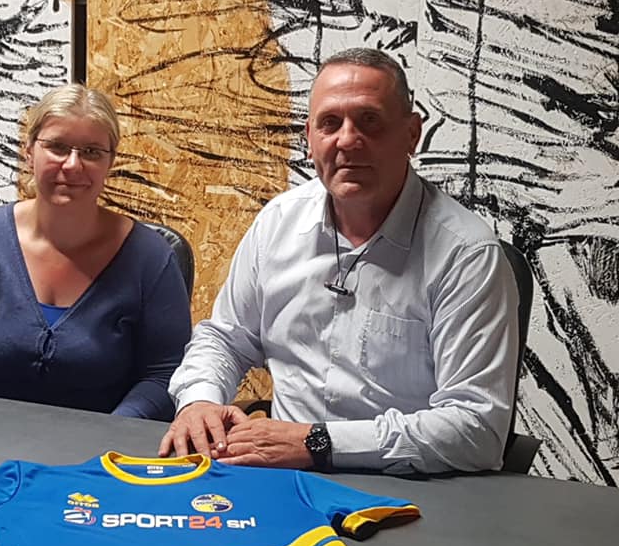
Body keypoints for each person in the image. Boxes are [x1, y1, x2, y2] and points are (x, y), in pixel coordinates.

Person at [159, 47, 519, 473]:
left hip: (408, 486)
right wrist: (199, 400)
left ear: (411, 134)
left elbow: (477, 429)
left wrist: (317, 443)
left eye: (369, 120)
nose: (347, 140)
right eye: (330, 123)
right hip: (278, 474)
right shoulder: (278, 223)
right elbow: (225, 339)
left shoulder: (466, 255)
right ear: (309, 139)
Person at [0, 84, 191, 420]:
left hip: (105, 446)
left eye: (92, 152)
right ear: (29, 151)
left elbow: (163, 375)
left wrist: (112, 434)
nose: (73, 165)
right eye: (58, 147)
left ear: (110, 162)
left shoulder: (150, 257)